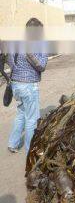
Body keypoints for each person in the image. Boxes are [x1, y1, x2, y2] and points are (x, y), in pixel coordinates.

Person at [7, 18, 48, 154]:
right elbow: (41, 66)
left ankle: (13, 144)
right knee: (32, 119)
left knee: (21, 114)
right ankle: (30, 150)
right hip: (29, 86)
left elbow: (11, 63)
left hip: (16, 85)